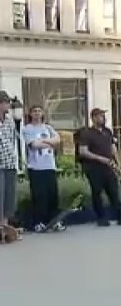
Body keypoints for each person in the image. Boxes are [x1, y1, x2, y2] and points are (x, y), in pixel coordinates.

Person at [20, 104, 63, 232]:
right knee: (39, 196)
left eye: (39, 111)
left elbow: (58, 140)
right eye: (34, 111)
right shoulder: (27, 129)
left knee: (52, 195)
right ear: (30, 114)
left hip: (49, 166)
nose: (37, 113)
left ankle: (54, 221)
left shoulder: (48, 127)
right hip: (36, 167)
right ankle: (39, 222)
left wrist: (46, 142)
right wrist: (50, 142)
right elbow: (33, 144)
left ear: (43, 113)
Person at [76, 108, 121, 226]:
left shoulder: (107, 131)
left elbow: (113, 148)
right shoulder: (87, 133)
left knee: (113, 190)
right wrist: (100, 159)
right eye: (101, 116)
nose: (103, 118)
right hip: (94, 167)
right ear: (94, 118)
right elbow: (83, 151)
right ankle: (101, 217)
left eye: (103, 116)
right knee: (97, 192)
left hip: (108, 166)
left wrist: (118, 163)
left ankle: (118, 215)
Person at [0, 92, 20, 237]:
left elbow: (13, 140)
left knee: (9, 195)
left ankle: (5, 225)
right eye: (6, 102)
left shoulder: (9, 121)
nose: (8, 105)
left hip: (9, 162)